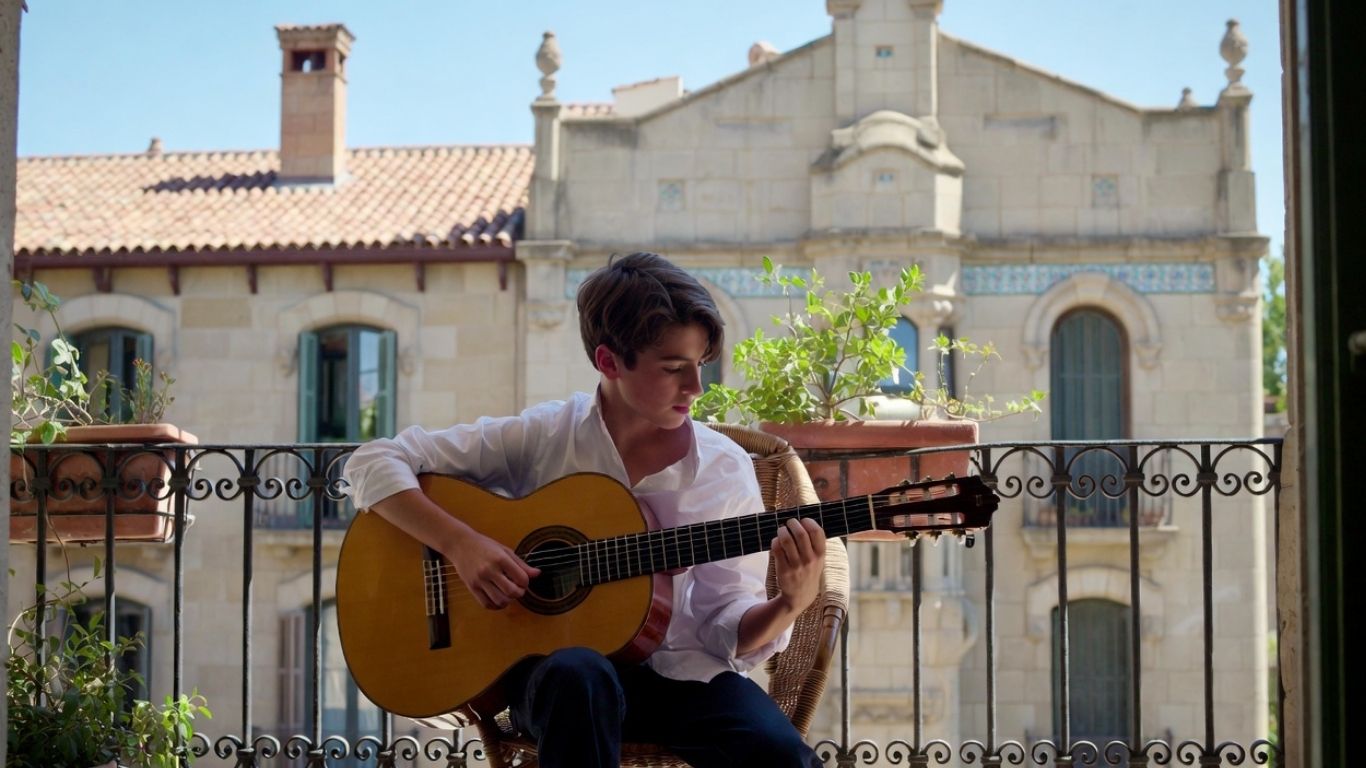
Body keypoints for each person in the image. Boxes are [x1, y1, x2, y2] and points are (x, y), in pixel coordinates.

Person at [343, 251, 827, 767]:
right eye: (673, 369)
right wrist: (460, 544)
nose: (695, 388)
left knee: (782, 757)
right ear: (608, 361)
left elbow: (724, 628)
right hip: (557, 680)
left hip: (686, 681)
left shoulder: (724, 468)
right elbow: (373, 460)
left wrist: (788, 604)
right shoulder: (547, 435)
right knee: (580, 674)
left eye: (700, 366)